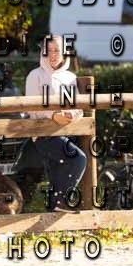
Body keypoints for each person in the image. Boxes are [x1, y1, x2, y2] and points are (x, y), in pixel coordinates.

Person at [24, 34, 88, 212]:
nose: (52, 55)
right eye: (48, 50)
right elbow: (31, 108)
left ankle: (53, 216)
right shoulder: (34, 76)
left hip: (68, 133)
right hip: (44, 135)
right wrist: (53, 115)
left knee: (57, 179)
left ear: (64, 53)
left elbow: (79, 108)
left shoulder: (70, 77)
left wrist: (71, 114)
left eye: (56, 51)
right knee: (78, 160)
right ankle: (63, 201)